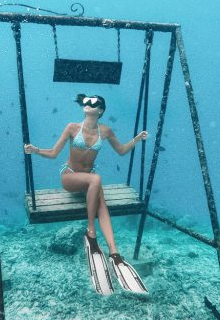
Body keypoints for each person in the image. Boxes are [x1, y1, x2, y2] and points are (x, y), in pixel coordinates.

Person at [24, 94, 149, 294]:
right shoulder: (72, 127)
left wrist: (137, 139)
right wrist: (35, 150)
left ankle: (114, 253)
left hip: (89, 182)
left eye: (94, 102)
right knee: (96, 179)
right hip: (70, 177)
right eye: (87, 101)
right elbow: (54, 153)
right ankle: (90, 231)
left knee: (102, 202)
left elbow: (123, 151)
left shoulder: (105, 131)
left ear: (100, 110)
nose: (88, 104)